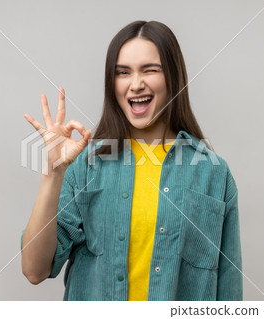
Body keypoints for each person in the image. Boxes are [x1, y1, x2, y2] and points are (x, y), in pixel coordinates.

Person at [21, 20, 242, 301]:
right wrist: (54, 173)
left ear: (173, 78)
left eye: (150, 70)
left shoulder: (214, 173)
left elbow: (229, 291)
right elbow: (34, 270)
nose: (136, 84)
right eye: (123, 72)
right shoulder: (87, 165)